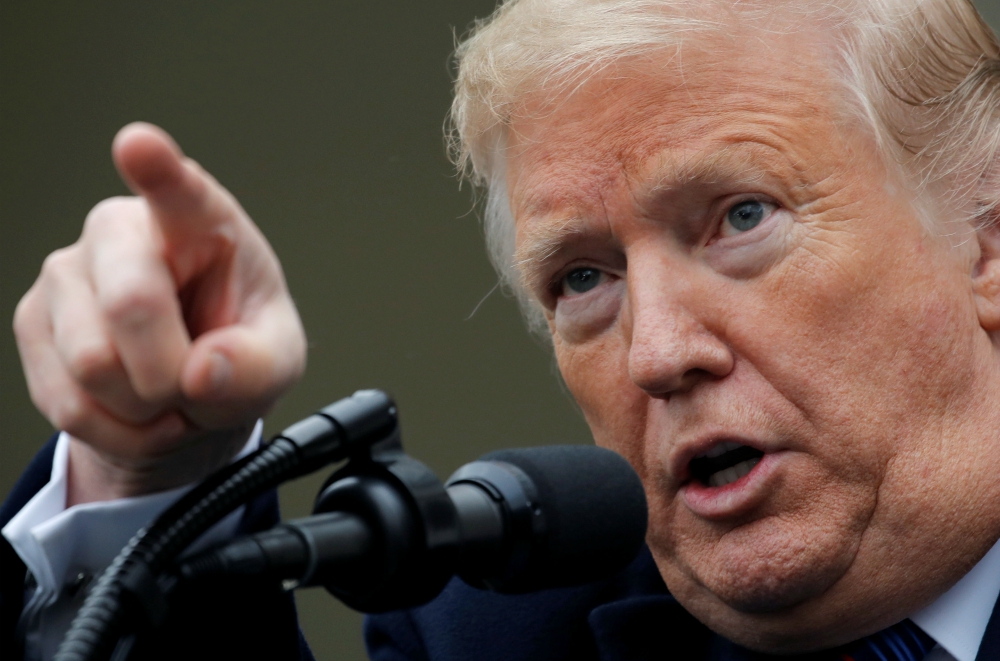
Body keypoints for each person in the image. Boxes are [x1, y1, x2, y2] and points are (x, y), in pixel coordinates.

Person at [3, 0, 1000, 659]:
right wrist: (153, 475)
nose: (657, 353)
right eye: (581, 278)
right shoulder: (489, 636)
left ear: (985, 244)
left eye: (741, 217)